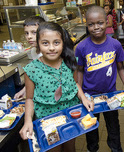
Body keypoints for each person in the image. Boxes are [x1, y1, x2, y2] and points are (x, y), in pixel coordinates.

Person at [19, 22, 94, 152]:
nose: (52, 48)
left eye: (56, 43)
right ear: (38, 44)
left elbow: (75, 83)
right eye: (45, 43)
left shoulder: (70, 61)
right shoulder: (31, 70)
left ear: (63, 43)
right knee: (54, 148)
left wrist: (83, 98)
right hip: (48, 122)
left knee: (70, 148)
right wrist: (27, 121)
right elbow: (29, 98)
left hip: (71, 116)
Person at [75, 5, 124, 152]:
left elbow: (120, 67)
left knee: (114, 127)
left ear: (107, 22)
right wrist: (80, 94)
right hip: (89, 96)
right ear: (86, 25)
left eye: (100, 23)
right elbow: (79, 70)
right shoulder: (81, 47)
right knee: (91, 128)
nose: (96, 27)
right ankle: (92, 149)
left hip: (110, 95)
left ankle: (115, 148)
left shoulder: (115, 45)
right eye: (91, 24)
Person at [14, 16, 45, 99]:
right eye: (26, 33)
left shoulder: (48, 53)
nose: (29, 37)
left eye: (34, 32)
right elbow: (36, 76)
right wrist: (25, 89)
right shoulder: (33, 51)